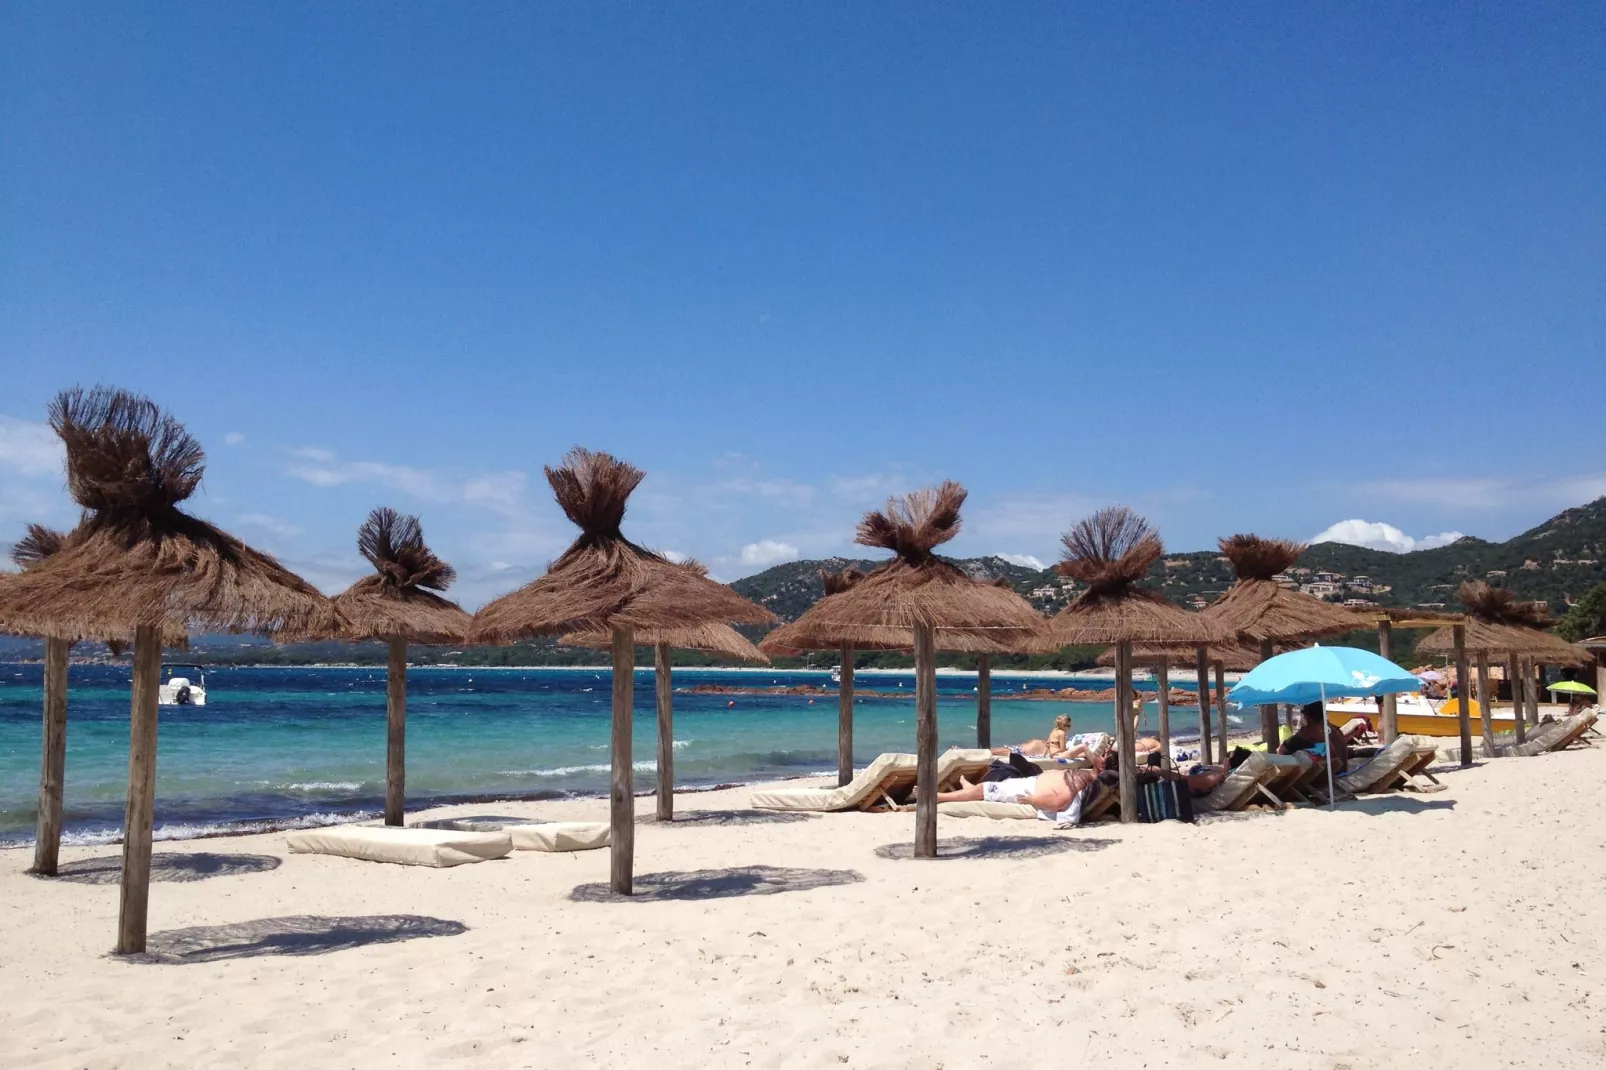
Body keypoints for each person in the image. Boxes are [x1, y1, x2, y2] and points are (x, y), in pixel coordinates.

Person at [936, 759, 1103, 818]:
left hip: (1028, 791)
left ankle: (939, 797)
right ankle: (969, 789)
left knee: (985, 788)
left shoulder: (1078, 784)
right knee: (990, 788)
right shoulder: (1090, 775)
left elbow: (1060, 802)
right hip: (1030, 782)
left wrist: (1033, 799)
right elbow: (1097, 771)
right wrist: (1096, 765)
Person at [1277, 701, 1349, 773]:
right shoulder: (1334, 729)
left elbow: (1283, 750)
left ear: (1308, 717)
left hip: (1328, 777)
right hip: (1341, 773)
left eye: (1304, 716)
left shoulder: (1310, 731)